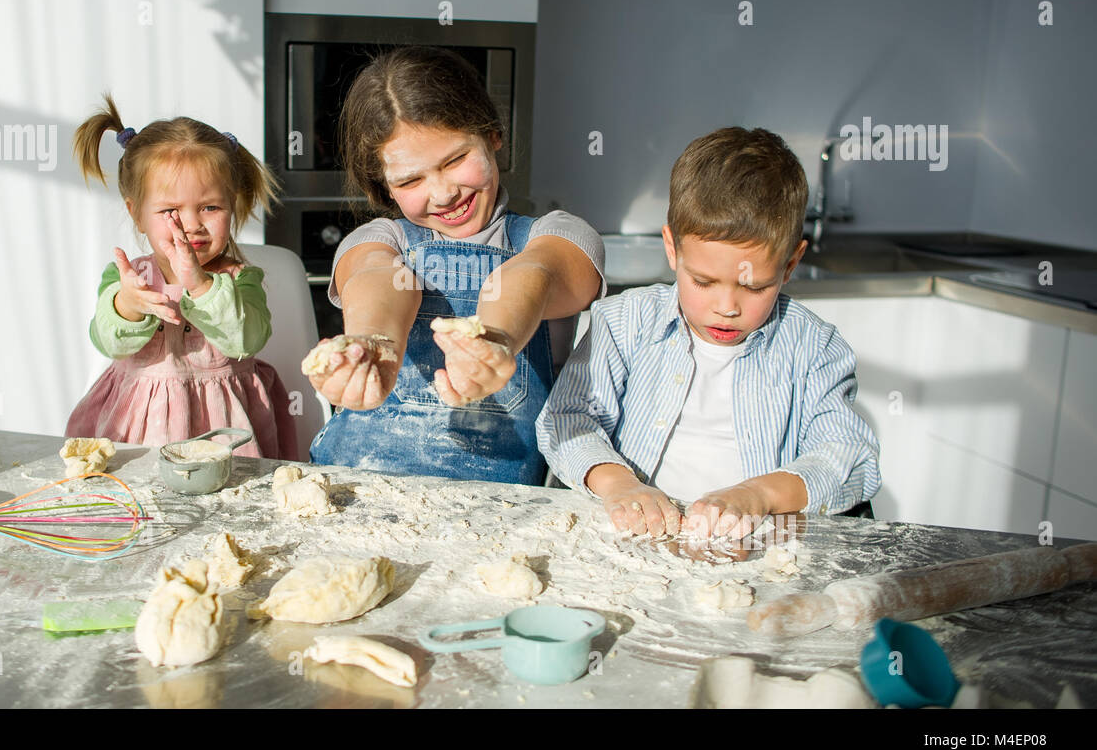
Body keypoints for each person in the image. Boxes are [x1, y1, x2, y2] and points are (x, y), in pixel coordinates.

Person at [536, 126, 881, 538]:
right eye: (703, 281)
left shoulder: (815, 348)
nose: (727, 307)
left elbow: (850, 457)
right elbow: (567, 419)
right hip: (635, 538)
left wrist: (760, 494)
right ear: (672, 250)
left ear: (790, 265)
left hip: (753, 548)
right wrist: (619, 485)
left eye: (755, 286)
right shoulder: (624, 323)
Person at [306, 46, 605, 484]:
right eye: (410, 180)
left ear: (493, 134)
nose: (444, 193)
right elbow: (380, 278)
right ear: (385, 188)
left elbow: (532, 275)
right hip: (357, 485)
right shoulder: (378, 241)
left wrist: (494, 338)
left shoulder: (558, 236)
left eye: (455, 160)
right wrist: (375, 341)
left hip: (499, 508)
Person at [65, 95, 297, 458]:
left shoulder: (242, 279)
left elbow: (247, 339)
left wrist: (202, 286)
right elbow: (108, 342)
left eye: (210, 207)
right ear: (136, 212)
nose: (191, 224)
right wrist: (126, 304)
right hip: (137, 432)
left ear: (232, 205)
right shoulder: (129, 277)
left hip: (227, 436)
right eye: (170, 210)